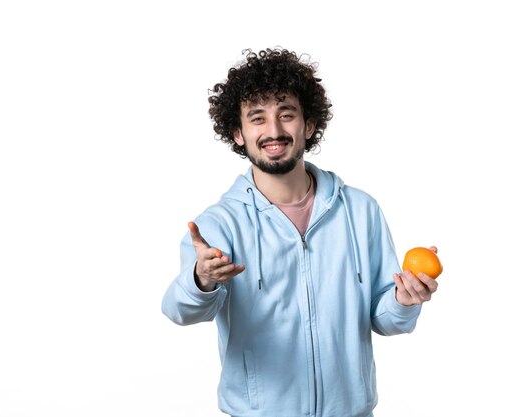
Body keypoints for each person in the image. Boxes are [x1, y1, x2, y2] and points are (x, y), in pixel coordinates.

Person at [161, 48, 439, 417]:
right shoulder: (219, 225)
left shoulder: (361, 211)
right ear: (238, 133)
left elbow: (384, 318)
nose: (273, 131)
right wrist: (202, 280)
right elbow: (178, 310)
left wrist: (406, 301)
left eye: (286, 115)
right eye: (257, 118)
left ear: (308, 125)